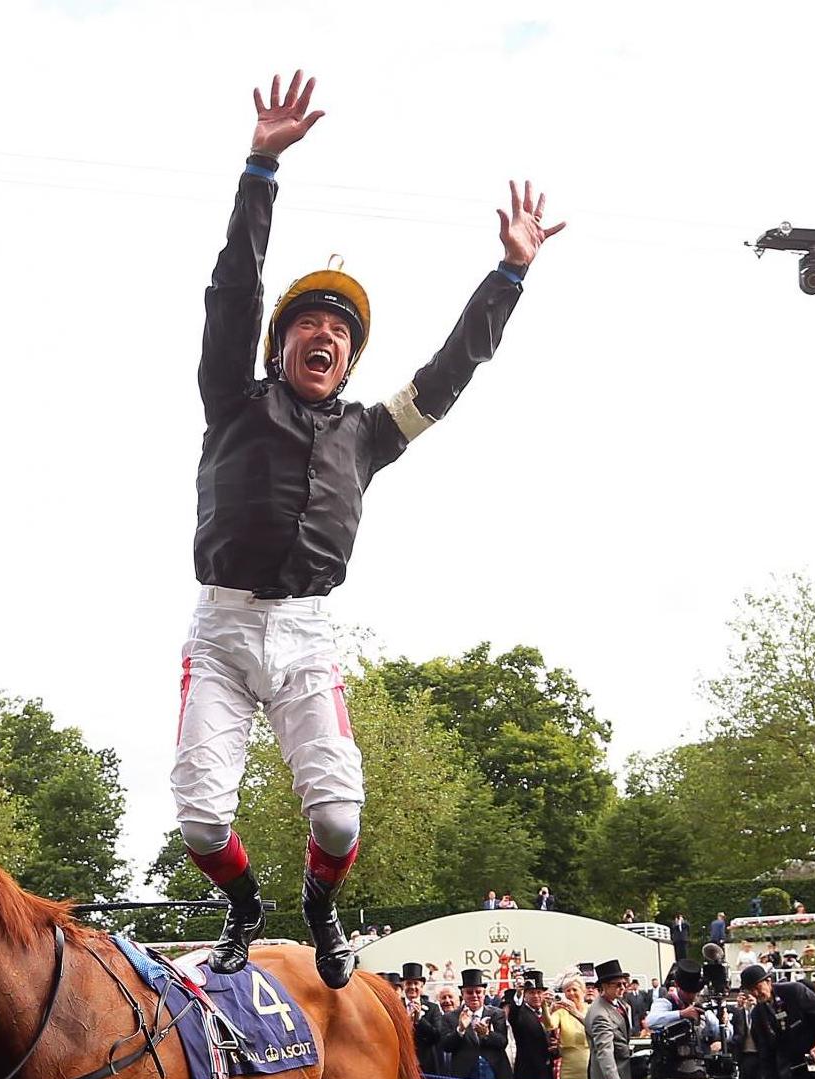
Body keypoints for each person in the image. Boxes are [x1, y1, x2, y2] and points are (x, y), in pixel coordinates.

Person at [172, 69, 563, 989]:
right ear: (282, 347)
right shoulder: (232, 397)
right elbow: (233, 292)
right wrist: (259, 169)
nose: (325, 337)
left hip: (307, 632)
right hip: (222, 630)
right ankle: (240, 908)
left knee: (341, 820)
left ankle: (322, 907)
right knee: (198, 823)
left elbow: (455, 367)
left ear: (350, 357)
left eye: (340, 333)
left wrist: (510, 272)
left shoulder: (370, 431)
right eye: (308, 324)